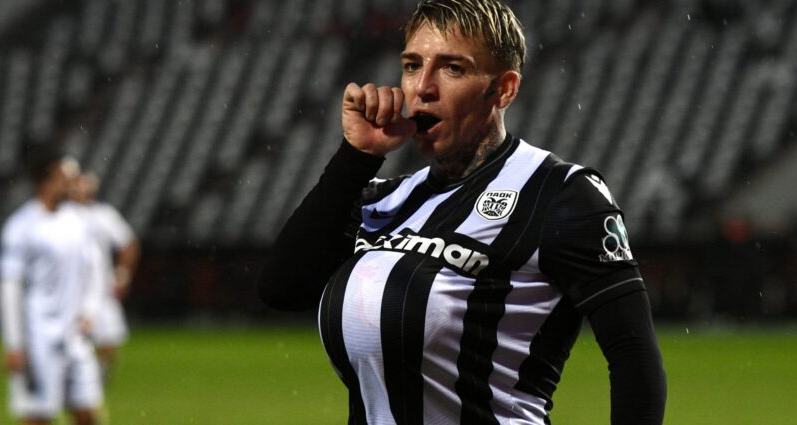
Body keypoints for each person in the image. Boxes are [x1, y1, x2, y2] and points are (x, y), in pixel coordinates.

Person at [259, 1, 667, 423]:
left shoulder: (559, 194)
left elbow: (633, 354)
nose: (422, 87)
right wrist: (356, 157)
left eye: (452, 68)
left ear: (504, 89)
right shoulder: (384, 201)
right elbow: (281, 290)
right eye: (412, 66)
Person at [0, 148, 105, 425]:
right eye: (63, 179)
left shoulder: (79, 221)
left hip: (75, 336)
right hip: (38, 338)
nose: (70, 184)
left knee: (87, 412)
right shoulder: (21, 226)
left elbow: (95, 270)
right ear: (44, 182)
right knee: (38, 416)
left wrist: (90, 310)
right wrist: (13, 344)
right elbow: (9, 287)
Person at [70, 171, 141, 384]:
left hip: (100, 289)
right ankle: (77, 381)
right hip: (70, 289)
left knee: (108, 340)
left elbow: (129, 244)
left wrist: (122, 275)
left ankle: (97, 383)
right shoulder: (63, 215)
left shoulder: (103, 215)